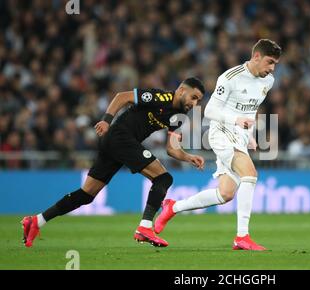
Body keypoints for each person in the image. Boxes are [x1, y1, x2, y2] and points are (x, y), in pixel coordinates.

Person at [21, 77, 206, 248]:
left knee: (87, 194)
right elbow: (122, 97)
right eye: (194, 97)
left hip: (117, 143)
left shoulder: (178, 115)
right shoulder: (161, 97)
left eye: (198, 100)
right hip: (120, 136)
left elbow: (171, 149)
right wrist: (106, 121)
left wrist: (188, 157)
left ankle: (37, 221)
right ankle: (145, 226)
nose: (195, 103)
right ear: (181, 90)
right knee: (163, 179)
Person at [155, 39, 282, 251]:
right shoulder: (230, 77)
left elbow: (250, 110)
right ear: (256, 57)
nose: (271, 68)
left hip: (239, 135)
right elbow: (209, 111)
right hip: (222, 132)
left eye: (275, 64)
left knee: (225, 193)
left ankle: (172, 207)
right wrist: (235, 122)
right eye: (269, 62)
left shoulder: (267, 81)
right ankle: (242, 236)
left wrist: (248, 134)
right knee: (250, 174)